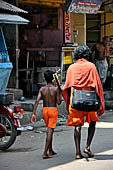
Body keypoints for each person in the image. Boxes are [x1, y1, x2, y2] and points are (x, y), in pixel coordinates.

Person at [62, 45, 105, 159]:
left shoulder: (71, 68)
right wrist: (100, 102)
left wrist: (68, 101)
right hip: (90, 99)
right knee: (92, 122)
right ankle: (88, 147)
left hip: (75, 99)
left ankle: (77, 152)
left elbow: (67, 86)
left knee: (77, 125)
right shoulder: (91, 66)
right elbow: (97, 85)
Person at [32, 70, 62, 159]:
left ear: (45, 79)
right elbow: (59, 102)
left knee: (49, 130)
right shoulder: (56, 89)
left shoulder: (42, 89)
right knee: (50, 131)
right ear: (53, 79)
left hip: (44, 111)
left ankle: (50, 150)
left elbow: (37, 101)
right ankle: (45, 152)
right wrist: (59, 92)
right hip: (53, 110)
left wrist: (33, 113)